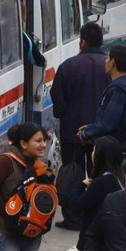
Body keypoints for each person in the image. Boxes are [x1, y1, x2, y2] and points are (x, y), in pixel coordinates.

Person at [50, 22, 110, 230]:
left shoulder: (68, 66)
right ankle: (95, 217)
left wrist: (65, 114)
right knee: (99, 174)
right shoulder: (110, 67)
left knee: (72, 175)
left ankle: (73, 218)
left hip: (72, 133)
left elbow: (58, 101)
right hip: (102, 134)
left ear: (82, 42)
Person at [0, 123, 49, 251]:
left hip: (31, 233)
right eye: (38, 141)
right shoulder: (5, 161)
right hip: (4, 233)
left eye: (44, 140)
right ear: (23, 143)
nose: (44, 145)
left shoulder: (39, 166)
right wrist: (10, 214)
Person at [78, 45, 126, 157]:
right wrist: (91, 126)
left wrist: (86, 134)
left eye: (107, 58)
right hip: (124, 147)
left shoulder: (117, 90)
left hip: (115, 151)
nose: (105, 61)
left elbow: (108, 122)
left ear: (112, 62)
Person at [69, 136, 126, 251]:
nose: (92, 154)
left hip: (94, 244)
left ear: (101, 156)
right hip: (113, 241)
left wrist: (80, 186)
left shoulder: (101, 183)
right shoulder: (121, 179)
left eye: (94, 150)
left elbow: (76, 205)